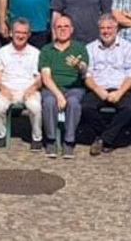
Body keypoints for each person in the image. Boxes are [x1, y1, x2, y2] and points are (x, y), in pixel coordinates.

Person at [82, 14, 131, 155]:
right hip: (98, 88)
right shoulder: (90, 48)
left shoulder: (127, 47)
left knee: (130, 109)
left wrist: (119, 92)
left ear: (116, 28)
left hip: (120, 88)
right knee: (85, 107)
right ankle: (108, 138)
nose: (106, 31)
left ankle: (102, 139)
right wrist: (98, 89)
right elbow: (87, 75)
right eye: (102, 28)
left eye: (109, 28)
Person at [38, 14, 88, 159]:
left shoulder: (80, 48)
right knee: (48, 102)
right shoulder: (47, 50)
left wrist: (78, 65)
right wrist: (59, 95)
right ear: (54, 29)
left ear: (71, 30)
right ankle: (51, 140)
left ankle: (69, 141)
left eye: (66, 26)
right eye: (59, 26)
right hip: (52, 87)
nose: (63, 29)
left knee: (73, 102)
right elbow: (46, 77)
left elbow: (85, 70)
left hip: (74, 88)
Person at [0, 18, 43, 150]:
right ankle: (1, 135)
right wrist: (1, 87)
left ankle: (37, 137)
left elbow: (40, 77)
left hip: (28, 89)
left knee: (35, 107)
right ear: (11, 33)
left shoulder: (36, 53)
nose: (20, 36)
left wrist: (33, 87)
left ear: (29, 35)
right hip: (7, 88)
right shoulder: (1, 52)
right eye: (17, 32)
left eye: (24, 33)